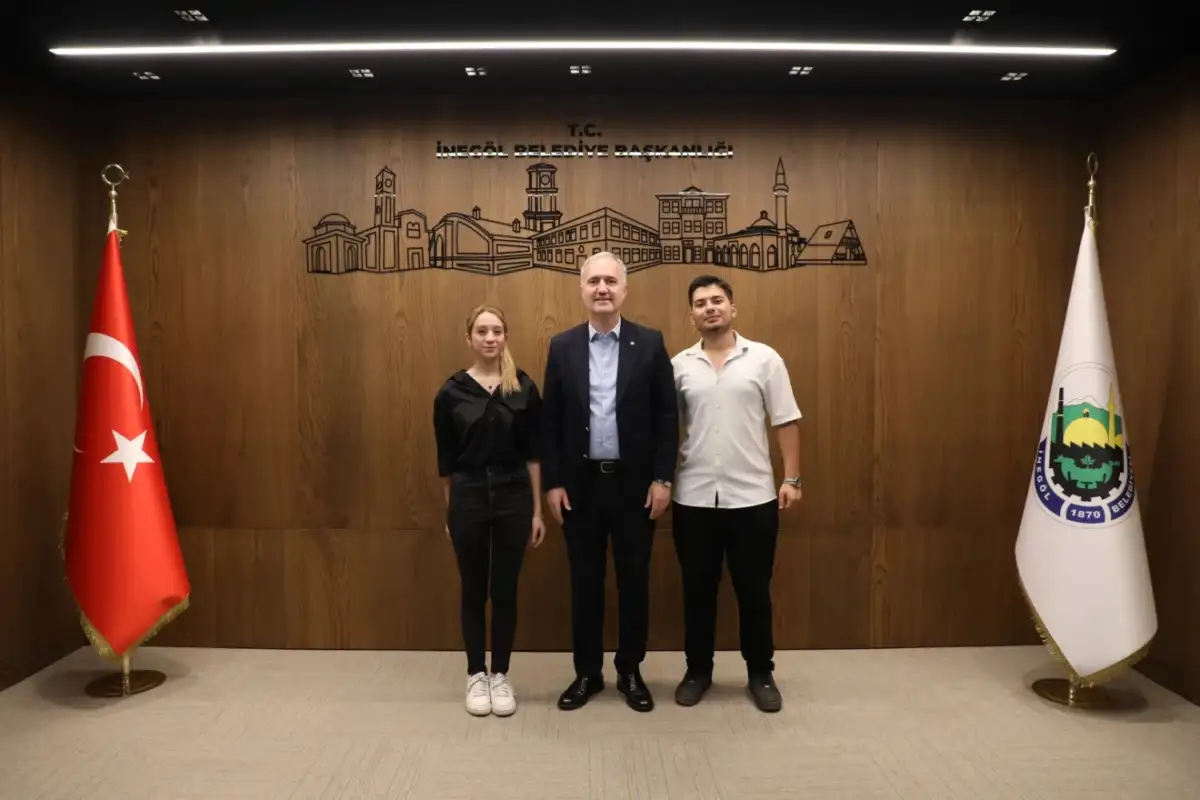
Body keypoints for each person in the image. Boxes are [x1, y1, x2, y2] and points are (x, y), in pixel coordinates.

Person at [541, 251, 679, 713]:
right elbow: (551, 420)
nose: (602, 288)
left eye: (610, 281)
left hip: (634, 487)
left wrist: (662, 478)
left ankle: (630, 670)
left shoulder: (650, 343)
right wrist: (553, 482)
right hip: (579, 488)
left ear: (624, 290)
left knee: (634, 580)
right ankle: (587, 672)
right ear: (582, 289)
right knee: (585, 582)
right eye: (593, 281)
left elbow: (667, 418)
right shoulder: (561, 346)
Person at [669, 275, 803, 713]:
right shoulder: (679, 366)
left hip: (753, 499)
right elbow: (666, 430)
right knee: (697, 592)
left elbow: (786, 420)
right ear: (691, 315)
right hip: (693, 498)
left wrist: (792, 479)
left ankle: (761, 673)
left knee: (754, 591)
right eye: (701, 303)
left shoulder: (764, 359)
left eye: (717, 300)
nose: (710, 308)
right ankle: (697, 671)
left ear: (732, 308)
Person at [433, 304, 546, 717]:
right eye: (481, 331)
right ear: (469, 338)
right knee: (473, 588)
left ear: (505, 337)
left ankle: (500, 674)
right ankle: (475, 674)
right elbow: (446, 461)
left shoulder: (523, 388)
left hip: (514, 495)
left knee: (505, 588)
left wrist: (537, 511)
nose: (490, 338)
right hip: (469, 496)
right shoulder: (451, 393)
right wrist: (451, 511)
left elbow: (534, 455)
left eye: (497, 330)